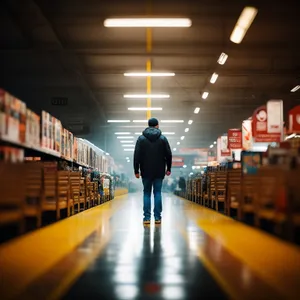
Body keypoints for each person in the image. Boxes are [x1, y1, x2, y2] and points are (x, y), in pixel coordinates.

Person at [134, 118, 172, 225]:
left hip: (145, 171)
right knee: (157, 193)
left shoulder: (141, 139)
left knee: (146, 193)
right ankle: (157, 217)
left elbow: (137, 155)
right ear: (157, 125)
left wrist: (136, 170)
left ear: (148, 125)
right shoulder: (163, 139)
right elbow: (168, 154)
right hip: (159, 171)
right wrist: (168, 168)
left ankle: (146, 218)